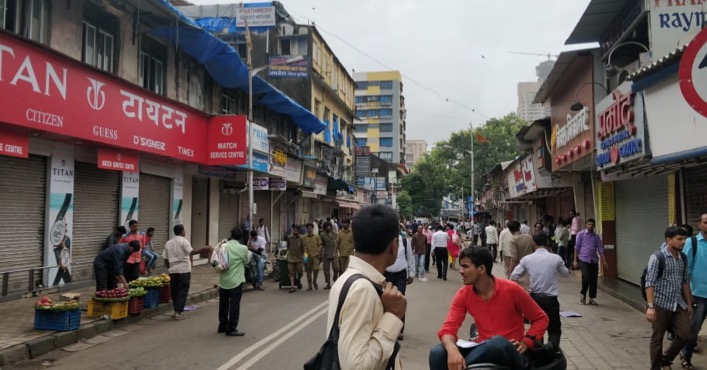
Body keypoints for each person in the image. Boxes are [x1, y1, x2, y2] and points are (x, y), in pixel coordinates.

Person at [429, 246, 549, 369]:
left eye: (465, 266)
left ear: (481, 269)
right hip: (483, 348)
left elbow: (541, 318)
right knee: (437, 352)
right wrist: (452, 350)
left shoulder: (512, 289)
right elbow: (448, 328)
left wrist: (527, 342)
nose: (460, 271)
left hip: (511, 351)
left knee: (498, 342)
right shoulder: (463, 294)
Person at [326, 204, 406, 369]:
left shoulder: (350, 279)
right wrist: (392, 316)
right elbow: (356, 366)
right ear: (394, 245)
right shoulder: (362, 289)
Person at [644, 226, 692, 370]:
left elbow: (684, 282)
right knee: (657, 339)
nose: (683, 242)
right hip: (660, 304)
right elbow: (650, 283)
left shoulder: (683, 257)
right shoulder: (658, 257)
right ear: (669, 240)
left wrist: (689, 303)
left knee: (686, 335)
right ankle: (656, 367)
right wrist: (651, 307)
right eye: (679, 239)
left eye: (684, 239)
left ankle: (666, 359)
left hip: (678, 304)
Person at [511, 232, 569, 348]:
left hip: (534, 299)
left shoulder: (527, 259)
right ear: (547, 243)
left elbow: (514, 276)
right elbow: (565, 274)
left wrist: (523, 291)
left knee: (537, 327)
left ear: (533, 243)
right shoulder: (556, 258)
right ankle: (553, 352)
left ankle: (538, 352)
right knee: (554, 329)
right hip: (551, 299)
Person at [162, 224, 212, 320]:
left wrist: (169, 268)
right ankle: (178, 312)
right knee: (182, 291)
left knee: (175, 292)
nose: (185, 232)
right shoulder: (184, 241)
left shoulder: (168, 243)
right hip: (183, 270)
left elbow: (166, 259)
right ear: (182, 231)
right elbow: (191, 252)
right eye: (184, 230)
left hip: (173, 271)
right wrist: (203, 249)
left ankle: (176, 310)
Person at [680, 214, 707, 369]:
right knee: (693, 330)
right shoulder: (692, 242)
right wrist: (688, 296)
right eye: (705, 222)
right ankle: (686, 355)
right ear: (699, 224)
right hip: (698, 295)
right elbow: (686, 269)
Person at [384, 223, 416, 340]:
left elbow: (410, 257)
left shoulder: (404, 241)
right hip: (387, 275)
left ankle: (399, 329)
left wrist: (411, 273)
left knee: (400, 300)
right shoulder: (385, 241)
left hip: (401, 275)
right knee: (385, 300)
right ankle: (386, 328)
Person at [218, 227, 250, 336]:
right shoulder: (243, 248)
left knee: (223, 303)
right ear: (240, 237)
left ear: (231, 234)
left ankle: (222, 325)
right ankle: (231, 328)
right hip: (236, 280)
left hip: (223, 280)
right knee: (234, 304)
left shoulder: (223, 245)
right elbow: (247, 261)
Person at [573, 218, 607, 305]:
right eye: (589, 224)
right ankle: (583, 294)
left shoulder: (596, 237)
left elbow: (600, 249)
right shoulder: (581, 235)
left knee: (593, 280)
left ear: (594, 226)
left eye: (592, 225)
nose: (590, 226)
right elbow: (576, 248)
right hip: (584, 259)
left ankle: (591, 298)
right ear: (586, 225)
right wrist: (575, 260)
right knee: (586, 277)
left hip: (594, 260)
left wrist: (604, 260)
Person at [320, 222, 339, 289]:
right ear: (325, 228)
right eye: (327, 226)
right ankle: (328, 283)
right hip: (326, 254)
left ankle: (335, 277)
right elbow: (322, 245)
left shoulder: (336, 234)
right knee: (326, 270)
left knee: (336, 268)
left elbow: (338, 244)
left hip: (334, 254)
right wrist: (321, 254)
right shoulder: (322, 235)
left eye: (329, 226)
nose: (328, 227)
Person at [303, 223, 322, 291]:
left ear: (312, 228)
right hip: (307, 256)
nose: (309, 229)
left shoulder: (316, 237)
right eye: (308, 228)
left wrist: (318, 252)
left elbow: (320, 245)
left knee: (316, 269)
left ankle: (314, 281)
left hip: (315, 256)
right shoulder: (304, 237)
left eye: (310, 228)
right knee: (308, 271)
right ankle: (309, 285)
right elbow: (304, 247)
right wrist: (304, 258)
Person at [286, 225, 305, 293]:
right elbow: (288, 246)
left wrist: (304, 257)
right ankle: (292, 287)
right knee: (291, 273)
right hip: (290, 258)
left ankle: (298, 280)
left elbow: (303, 248)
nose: (295, 231)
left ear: (299, 231)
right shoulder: (289, 238)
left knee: (300, 272)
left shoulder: (301, 238)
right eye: (294, 230)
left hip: (299, 258)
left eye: (297, 230)